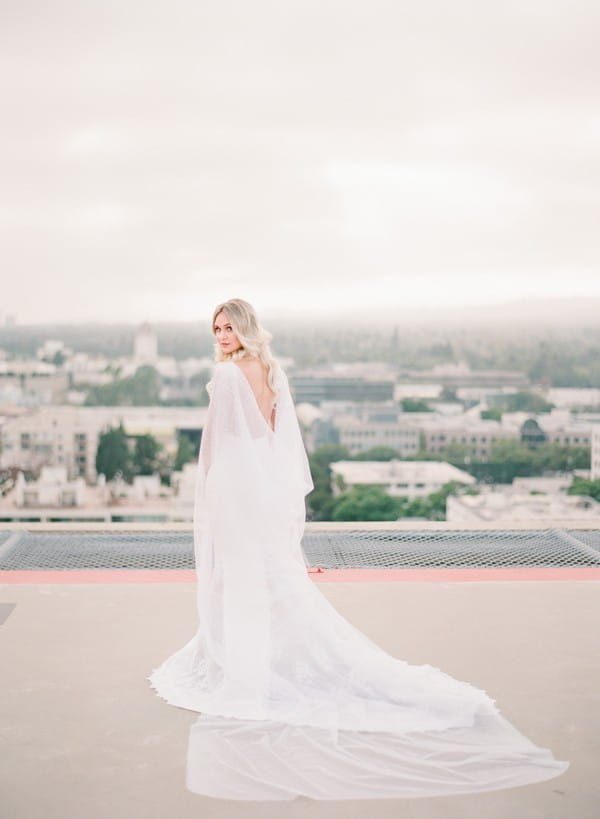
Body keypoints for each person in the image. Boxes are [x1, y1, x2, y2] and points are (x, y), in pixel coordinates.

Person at [148, 298, 568, 801]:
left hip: (237, 483)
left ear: (245, 330)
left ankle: (242, 669)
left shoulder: (229, 377)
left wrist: (211, 487)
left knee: (237, 578)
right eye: (215, 328)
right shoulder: (269, 370)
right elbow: (275, 436)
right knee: (265, 577)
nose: (220, 335)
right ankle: (254, 662)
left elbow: (216, 442)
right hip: (260, 483)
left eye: (228, 327)